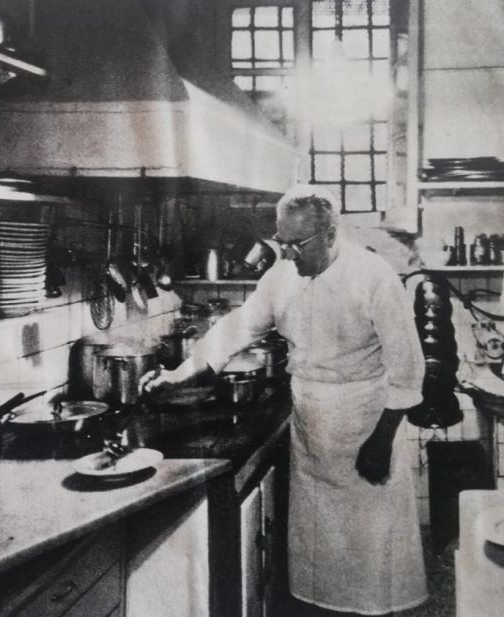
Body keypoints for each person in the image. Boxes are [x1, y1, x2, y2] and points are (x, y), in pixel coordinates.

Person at [140, 184, 428, 616]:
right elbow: (238, 329)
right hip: (312, 423)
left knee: (371, 551)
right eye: (283, 242)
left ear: (331, 234)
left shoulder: (374, 277)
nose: (288, 254)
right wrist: (178, 376)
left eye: (298, 244)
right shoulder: (281, 276)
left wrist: (382, 439)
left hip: (365, 421)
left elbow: (407, 368)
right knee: (321, 551)